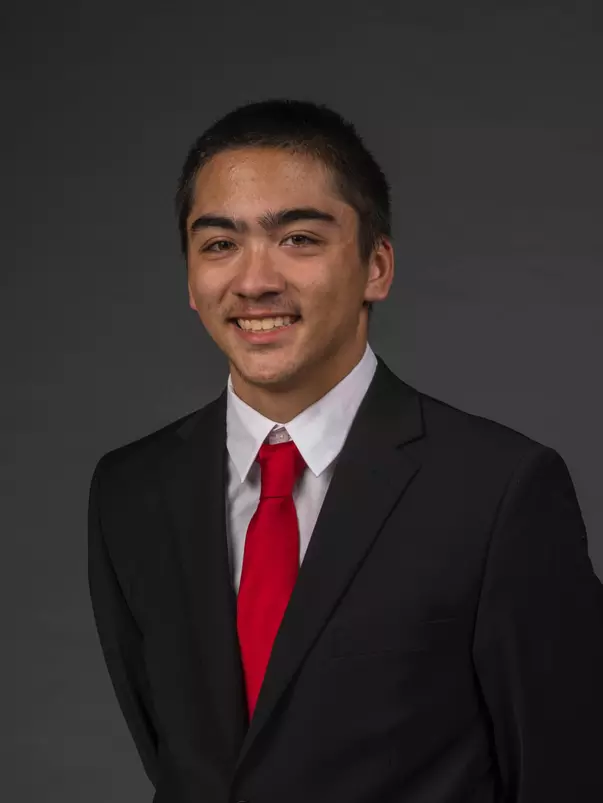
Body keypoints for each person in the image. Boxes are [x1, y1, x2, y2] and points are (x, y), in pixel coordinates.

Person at [88, 99, 603, 803]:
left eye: (298, 238)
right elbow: (178, 762)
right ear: (189, 277)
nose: (253, 280)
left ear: (376, 267)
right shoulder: (131, 489)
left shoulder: (499, 490)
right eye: (218, 244)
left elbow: (566, 773)